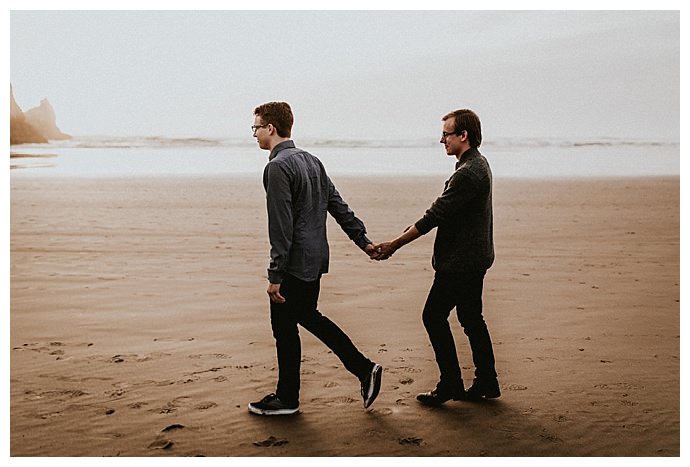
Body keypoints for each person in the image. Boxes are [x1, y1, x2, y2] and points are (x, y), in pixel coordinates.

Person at [248, 101, 383, 416]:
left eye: (255, 127)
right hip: (316, 257)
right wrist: (362, 240)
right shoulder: (312, 161)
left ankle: (289, 398)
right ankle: (361, 370)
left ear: (270, 128)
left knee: (285, 328)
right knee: (308, 317)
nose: (253, 134)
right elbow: (338, 205)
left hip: (295, 262)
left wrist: (274, 276)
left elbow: (281, 228)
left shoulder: (278, 167)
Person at [374, 108, 500, 406]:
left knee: (433, 316)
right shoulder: (476, 165)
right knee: (471, 318)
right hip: (474, 258)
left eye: (446, 133)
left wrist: (394, 244)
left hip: (461, 262)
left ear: (463, 135)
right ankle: (487, 382)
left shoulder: (469, 173)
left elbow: (434, 215)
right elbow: (442, 213)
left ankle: (451, 384)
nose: (441, 139)